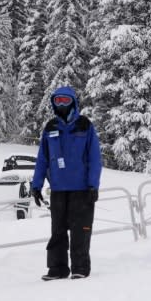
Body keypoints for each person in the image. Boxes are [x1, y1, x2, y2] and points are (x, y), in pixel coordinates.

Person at [30, 86, 102, 280]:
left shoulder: (85, 126)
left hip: (81, 190)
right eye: (57, 101)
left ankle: (80, 267)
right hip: (58, 190)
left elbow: (95, 158)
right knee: (58, 232)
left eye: (65, 101)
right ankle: (58, 268)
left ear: (73, 102)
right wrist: (36, 185)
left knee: (81, 231)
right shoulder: (51, 127)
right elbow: (42, 159)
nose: (61, 104)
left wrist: (93, 185)